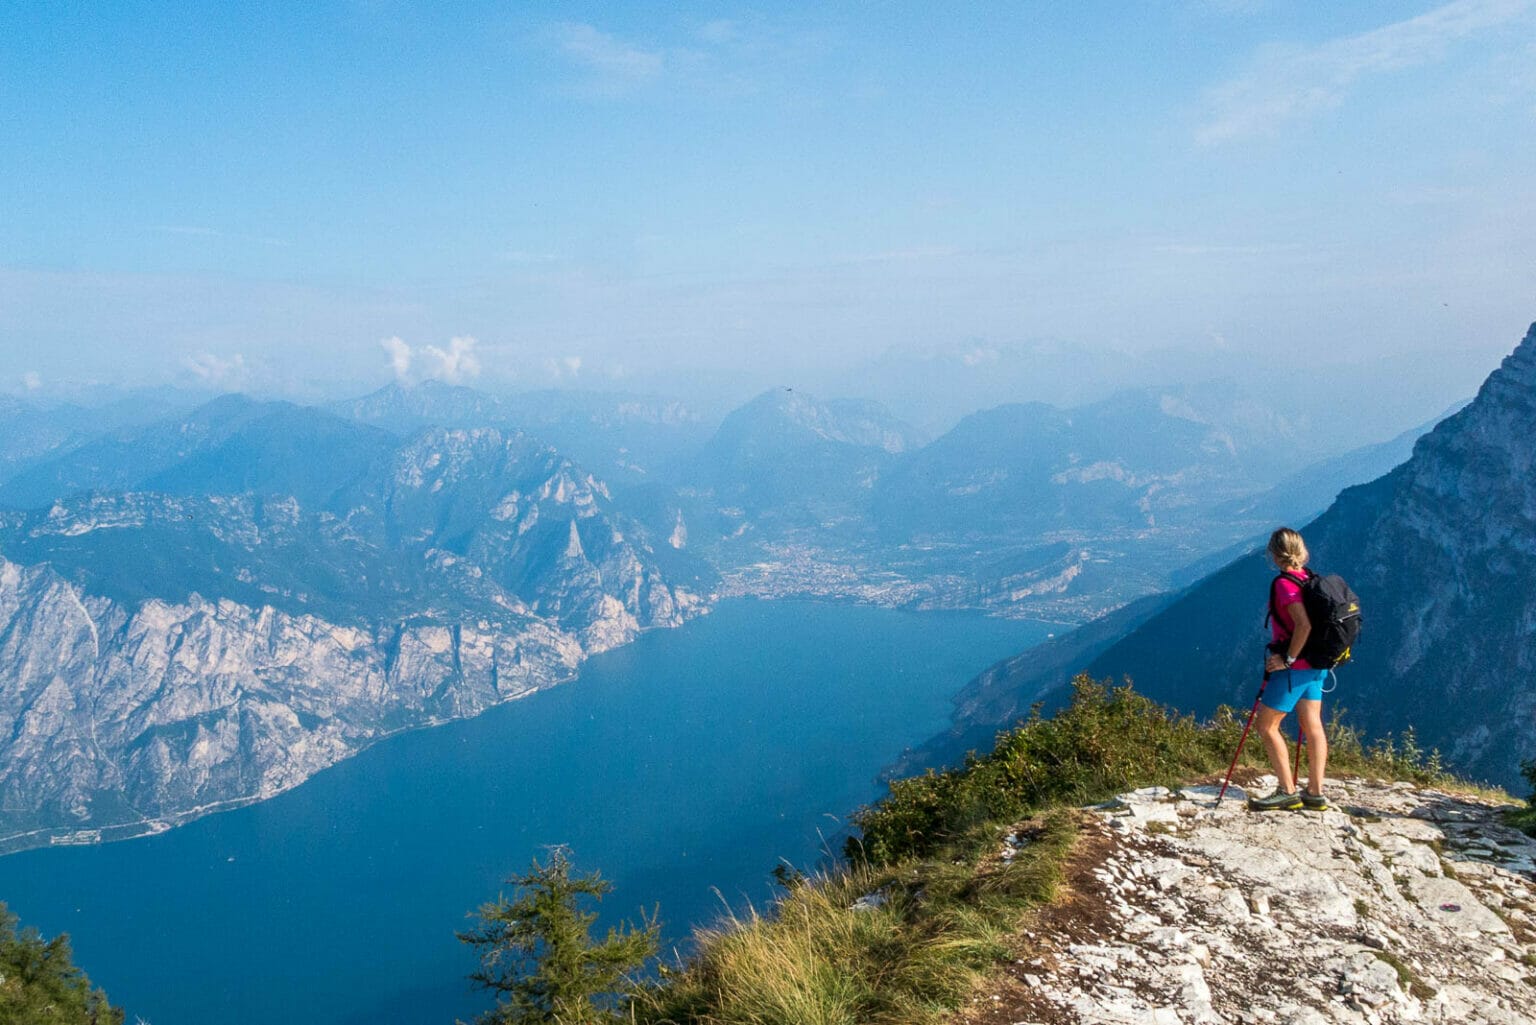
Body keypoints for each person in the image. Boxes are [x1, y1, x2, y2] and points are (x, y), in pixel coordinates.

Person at [1248, 527, 1330, 811]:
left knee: (1267, 725)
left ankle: (1286, 790)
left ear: (1273, 553)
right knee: (1313, 726)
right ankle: (1316, 793)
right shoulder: (1309, 578)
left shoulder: (1284, 584)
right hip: (1317, 667)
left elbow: (1303, 625)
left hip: (1296, 669)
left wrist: (1288, 660)